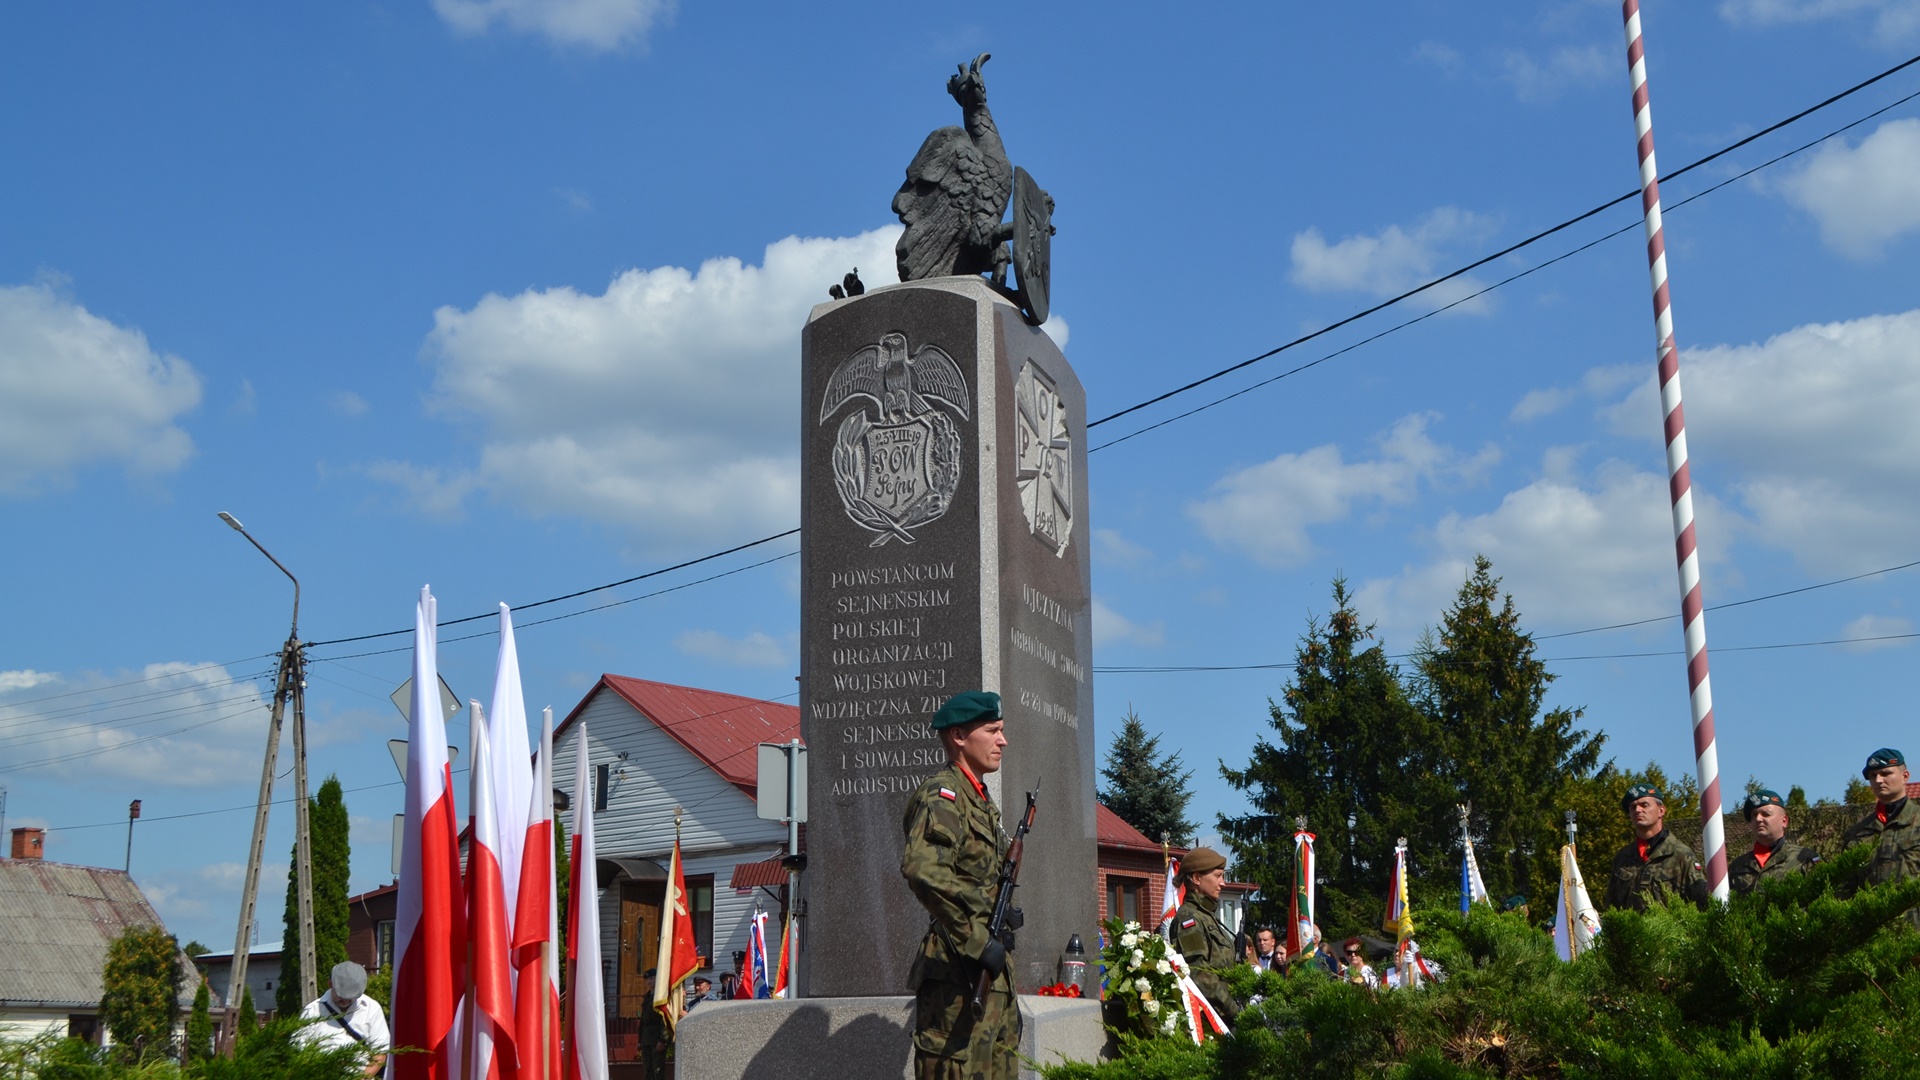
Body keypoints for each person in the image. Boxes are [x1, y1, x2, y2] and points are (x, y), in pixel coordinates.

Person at [900, 690, 1022, 1080]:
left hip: (990, 973)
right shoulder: (944, 795)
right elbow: (922, 870)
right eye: (992, 731)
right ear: (958, 736)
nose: (1003, 741)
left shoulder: (980, 801)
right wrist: (976, 939)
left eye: (1001, 730)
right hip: (958, 973)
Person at [1842, 748, 1920, 922]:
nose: (1878, 780)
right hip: (1874, 931)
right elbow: (1846, 891)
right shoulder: (1857, 834)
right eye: (1872, 776)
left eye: (1885, 773)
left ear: (1905, 776)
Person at [1604, 783, 1709, 912]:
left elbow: (1700, 904)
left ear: (1661, 810)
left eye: (1644, 805)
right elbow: (1611, 908)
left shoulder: (1680, 854)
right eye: (1632, 807)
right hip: (1631, 925)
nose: (1638, 810)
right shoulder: (1623, 858)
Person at [1172, 846, 1240, 1024]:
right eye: (1218, 876)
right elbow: (1199, 974)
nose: (1223, 883)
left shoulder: (1206, 916)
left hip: (1223, 1015)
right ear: (1196, 878)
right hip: (1211, 1019)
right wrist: (1235, 1011)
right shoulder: (1189, 918)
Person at [295, 961, 388, 1078]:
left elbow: (380, 1052)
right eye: (341, 995)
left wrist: (361, 1078)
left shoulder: (372, 1009)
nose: (346, 1000)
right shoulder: (312, 1011)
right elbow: (299, 1051)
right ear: (330, 984)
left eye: (351, 997)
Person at [1728, 789, 1819, 895]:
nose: (1758, 819)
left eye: (1766, 814)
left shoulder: (1805, 859)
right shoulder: (1738, 866)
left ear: (1784, 821)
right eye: (1754, 815)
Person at [638, 968, 667, 1080]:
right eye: (647, 979)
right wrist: (640, 1040)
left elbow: (664, 1019)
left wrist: (663, 1040)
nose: (649, 981)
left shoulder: (660, 997)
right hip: (646, 1038)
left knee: (658, 1070)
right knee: (648, 1070)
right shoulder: (647, 997)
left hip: (656, 1038)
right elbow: (643, 1021)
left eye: (651, 978)